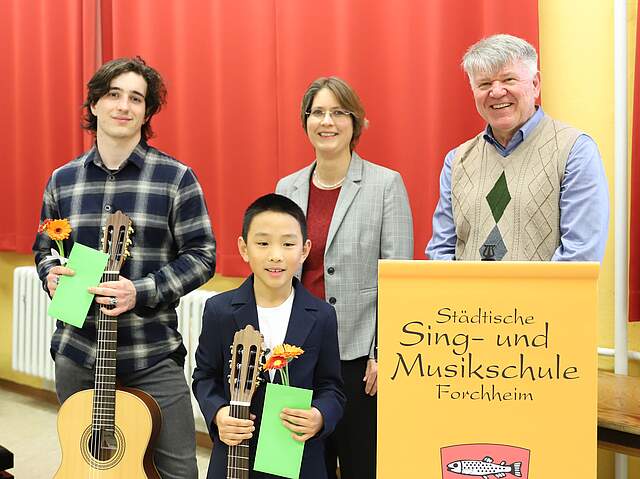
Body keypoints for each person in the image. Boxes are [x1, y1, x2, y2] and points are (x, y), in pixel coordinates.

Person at [33, 57, 216, 479]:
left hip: (150, 354)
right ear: (94, 104)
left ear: (147, 112)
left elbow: (203, 255)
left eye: (136, 98)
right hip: (78, 354)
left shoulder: (176, 178)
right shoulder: (62, 180)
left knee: (177, 472)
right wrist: (50, 274)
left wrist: (143, 290)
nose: (123, 106)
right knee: (89, 467)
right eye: (113, 94)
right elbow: (44, 248)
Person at [276, 77, 414, 479]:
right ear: (305, 122)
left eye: (338, 112)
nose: (327, 121)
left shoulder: (385, 184)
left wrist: (383, 351)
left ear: (356, 123)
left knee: (362, 467)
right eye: (317, 112)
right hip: (295, 356)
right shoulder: (288, 188)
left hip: (359, 358)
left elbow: (398, 277)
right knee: (295, 467)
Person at [192, 193, 345, 479]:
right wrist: (217, 414)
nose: (275, 254)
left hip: (298, 459)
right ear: (244, 248)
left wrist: (319, 416)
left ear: (304, 250)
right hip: (235, 457)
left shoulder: (322, 315)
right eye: (263, 243)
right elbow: (204, 377)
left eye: (288, 244)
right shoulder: (220, 311)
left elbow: (332, 388)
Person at [426, 34, 609, 262]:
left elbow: (580, 255)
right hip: (466, 299)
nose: (496, 92)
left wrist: (519, 298)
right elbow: (441, 251)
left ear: (535, 84)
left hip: (543, 298)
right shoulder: (457, 160)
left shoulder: (575, 151)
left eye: (509, 80)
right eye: (484, 84)